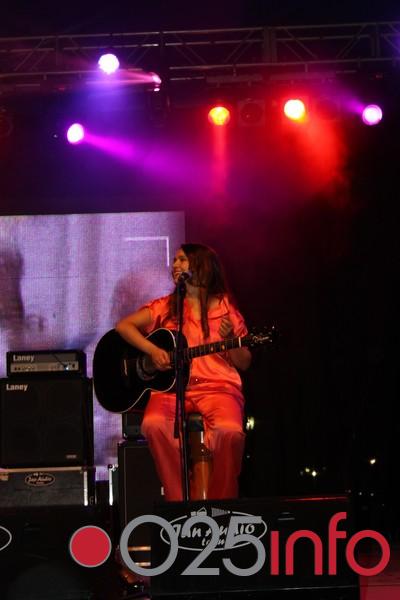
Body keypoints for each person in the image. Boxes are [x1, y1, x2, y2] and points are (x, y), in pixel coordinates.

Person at [115, 243, 252, 500]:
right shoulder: (165, 307)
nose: (175, 265)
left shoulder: (226, 309)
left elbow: (244, 362)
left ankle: (221, 504)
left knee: (229, 432)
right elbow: (124, 326)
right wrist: (153, 351)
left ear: (202, 266)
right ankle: (179, 502)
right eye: (175, 260)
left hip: (218, 388)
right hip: (172, 388)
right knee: (154, 424)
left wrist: (231, 339)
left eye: (182, 260)